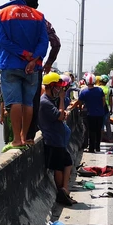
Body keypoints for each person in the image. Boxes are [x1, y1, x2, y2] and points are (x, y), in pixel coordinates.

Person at [0, 0, 50, 151]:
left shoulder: (2, 14)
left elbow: (4, 41)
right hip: (32, 67)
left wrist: (22, 54)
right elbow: (44, 41)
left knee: (14, 102)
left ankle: (17, 139)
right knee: (28, 103)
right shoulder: (38, 15)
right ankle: (26, 137)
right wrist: (33, 59)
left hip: (11, 63)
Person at [23, 0, 62, 142]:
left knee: (15, 103)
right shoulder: (42, 21)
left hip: (15, 64)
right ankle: (29, 136)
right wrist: (49, 63)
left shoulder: (14, 20)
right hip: (36, 66)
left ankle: (17, 137)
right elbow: (56, 44)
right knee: (33, 101)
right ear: (37, 6)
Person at [37, 73, 76, 206]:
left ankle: (64, 190)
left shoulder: (49, 100)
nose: (60, 90)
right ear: (51, 86)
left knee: (68, 163)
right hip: (53, 140)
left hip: (59, 139)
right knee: (58, 167)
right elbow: (60, 116)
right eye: (58, 87)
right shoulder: (45, 102)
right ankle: (61, 193)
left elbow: (61, 114)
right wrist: (61, 99)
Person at [77, 73, 106, 153]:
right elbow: (103, 101)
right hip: (100, 114)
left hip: (91, 114)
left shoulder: (84, 92)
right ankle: (98, 147)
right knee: (98, 131)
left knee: (91, 131)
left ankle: (91, 148)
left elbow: (79, 103)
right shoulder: (100, 90)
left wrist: (80, 109)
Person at [99, 75, 113, 143]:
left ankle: (100, 139)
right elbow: (111, 100)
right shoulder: (109, 89)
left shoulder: (98, 88)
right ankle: (110, 138)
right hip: (106, 109)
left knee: (100, 125)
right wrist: (111, 109)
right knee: (108, 125)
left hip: (99, 109)